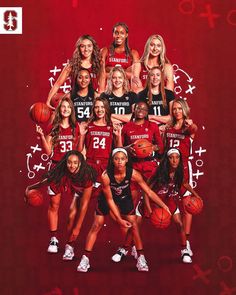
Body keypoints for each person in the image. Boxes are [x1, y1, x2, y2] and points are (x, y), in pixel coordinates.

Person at [76, 148, 171, 272]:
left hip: (124, 197)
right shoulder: (106, 176)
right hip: (106, 199)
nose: (119, 161)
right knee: (97, 224)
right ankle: (85, 259)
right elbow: (110, 200)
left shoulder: (133, 174)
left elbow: (148, 191)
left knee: (134, 225)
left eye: (122, 159)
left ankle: (141, 258)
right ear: (112, 161)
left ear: (126, 160)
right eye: (116, 159)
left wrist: (163, 206)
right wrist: (120, 219)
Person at [25, 151, 96, 259]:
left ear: (80, 163)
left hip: (90, 191)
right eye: (69, 162)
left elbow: (84, 204)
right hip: (76, 190)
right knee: (70, 217)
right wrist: (31, 187)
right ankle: (67, 245)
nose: (72, 166)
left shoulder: (86, 174)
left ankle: (70, 244)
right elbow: (47, 180)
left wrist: (78, 227)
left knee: (75, 219)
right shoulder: (62, 172)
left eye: (75, 163)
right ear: (65, 162)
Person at [36, 97, 80, 252]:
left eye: (69, 106)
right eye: (63, 107)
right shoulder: (53, 128)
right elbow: (48, 152)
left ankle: (71, 241)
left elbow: (80, 150)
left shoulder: (77, 127)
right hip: (57, 168)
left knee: (75, 207)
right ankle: (54, 239)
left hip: (74, 169)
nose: (66, 109)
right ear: (59, 109)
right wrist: (42, 136)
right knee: (55, 204)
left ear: (72, 110)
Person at [149, 148, 201, 263]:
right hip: (156, 201)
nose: (174, 160)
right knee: (136, 222)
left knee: (179, 224)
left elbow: (184, 183)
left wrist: (196, 195)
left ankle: (184, 250)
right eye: (171, 157)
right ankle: (128, 248)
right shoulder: (159, 172)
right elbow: (147, 189)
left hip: (169, 200)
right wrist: (148, 208)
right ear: (167, 159)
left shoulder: (179, 171)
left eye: (177, 157)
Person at [164, 98, 198, 250]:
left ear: (184, 110)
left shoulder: (188, 127)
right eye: (174, 109)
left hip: (183, 167)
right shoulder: (169, 127)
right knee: (166, 199)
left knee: (187, 204)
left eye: (179, 109)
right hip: (168, 167)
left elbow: (194, 129)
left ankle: (187, 242)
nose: (177, 111)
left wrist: (191, 125)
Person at [46, 35, 102, 109]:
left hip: (92, 104)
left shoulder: (98, 65)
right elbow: (57, 84)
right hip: (75, 103)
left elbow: (103, 86)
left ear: (93, 47)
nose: (86, 49)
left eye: (89, 46)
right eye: (83, 46)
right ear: (79, 48)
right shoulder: (72, 65)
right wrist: (48, 101)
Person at [78, 97, 121, 184]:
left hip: (106, 165)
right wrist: (82, 135)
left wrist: (119, 136)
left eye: (102, 107)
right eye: (97, 107)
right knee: (88, 194)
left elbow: (119, 150)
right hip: (90, 164)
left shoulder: (111, 127)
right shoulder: (88, 126)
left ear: (106, 108)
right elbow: (79, 150)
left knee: (105, 195)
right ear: (93, 109)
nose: (99, 110)